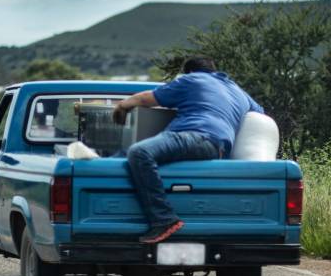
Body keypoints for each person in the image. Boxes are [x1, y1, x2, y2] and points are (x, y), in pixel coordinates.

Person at [113, 57, 265, 243]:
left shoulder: (192, 80)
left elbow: (147, 99)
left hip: (196, 135)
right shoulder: (238, 91)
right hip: (219, 147)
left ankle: (163, 219)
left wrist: (123, 105)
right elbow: (260, 114)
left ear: (190, 72)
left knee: (139, 152)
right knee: (125, 154)